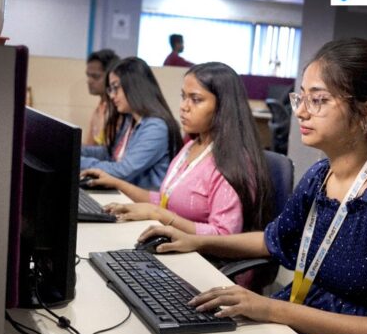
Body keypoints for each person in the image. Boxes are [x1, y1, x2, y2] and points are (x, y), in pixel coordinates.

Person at [140, 38, 367, 334]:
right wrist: (196, 240)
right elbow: (274, 240)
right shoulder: (321, 176)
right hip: (303, 327)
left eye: (318, 100)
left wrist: (272, 310)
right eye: (301, 97)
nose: (300, 112)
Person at [82, 62, 272, 235]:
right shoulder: (191, 146)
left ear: (223, 107)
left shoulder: (231, 162)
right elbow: (166, 200)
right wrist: (117, 184)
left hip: (205, 258)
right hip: (175, 244)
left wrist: (159, 214)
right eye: (183, 97)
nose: (183, 107)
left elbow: (223, 234)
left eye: (196, 99)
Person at [80, 57, 183, 190]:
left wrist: (76, 160)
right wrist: (75, 149)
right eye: (110, 89)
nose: (112, 95)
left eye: (116, 88)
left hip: (139, 200)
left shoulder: (156, 127)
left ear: (134, 86)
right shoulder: (130, 120)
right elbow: (110, 154)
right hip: (122, 195)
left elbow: (123, 171)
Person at [84, 49, 120, 145]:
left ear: (111, 77)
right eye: (88, 75)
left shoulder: (118, 111)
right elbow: (89, 146)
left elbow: (111, 151)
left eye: (95, 76)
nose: (89, 81)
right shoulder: (100, 108)